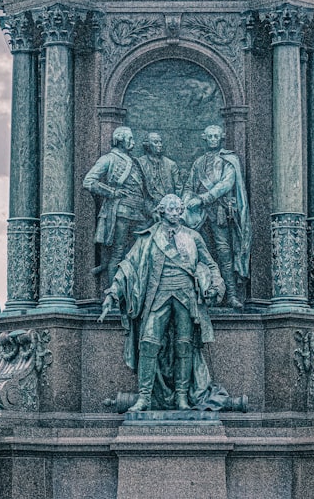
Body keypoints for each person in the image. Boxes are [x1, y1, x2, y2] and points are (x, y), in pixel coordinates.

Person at [99, 194, 225, 412]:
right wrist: (113, 293)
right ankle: (144, 397)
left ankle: (182, 398)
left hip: (186, 294)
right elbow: (128, 266)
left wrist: (215, 285)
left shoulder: (193, 236)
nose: (176, 213)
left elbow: (210, 265)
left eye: (178, 209)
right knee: (148, 341)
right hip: (158, 294)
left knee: (184, 344)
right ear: (162, 211)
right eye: (171, 209)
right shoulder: (148, 237)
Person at [184, 125, 250, 310]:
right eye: (210, 136)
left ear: (221, 137)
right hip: (199, 216)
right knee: (198, 253)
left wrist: (203, 199)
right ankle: (202, 293)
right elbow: (189, 186)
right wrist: (184, 202)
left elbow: (226, 184)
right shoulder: (198, 163)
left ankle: (231, 295)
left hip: (220, 212)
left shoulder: (229, 160)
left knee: (224, 254)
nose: (213, 139)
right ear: (204, 138)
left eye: (216, 136)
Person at [84, 126, 148, 290]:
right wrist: (112, 192)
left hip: (138, 213)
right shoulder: (109, 159)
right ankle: (114, 296)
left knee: (140, 251)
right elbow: (89, 181)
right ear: (120, 140)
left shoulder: (133, 161)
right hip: (121, 211)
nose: (133, 142)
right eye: (130, 139)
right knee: (118, 253)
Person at [136, 132, 181, 215]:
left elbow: (178, 188)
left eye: (160, 142)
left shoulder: (171, 164)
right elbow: (138, 190)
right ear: (147, 145)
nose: (160, 145)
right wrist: (151, 210)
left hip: (169, 208)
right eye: (156, 142)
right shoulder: (139, 163)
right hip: (146, 208)